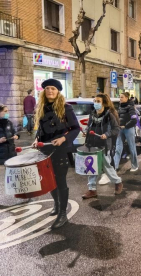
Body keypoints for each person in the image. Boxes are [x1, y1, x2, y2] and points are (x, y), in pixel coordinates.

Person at [33, 79, 80, 229]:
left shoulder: (66, 108)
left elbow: (75, 128)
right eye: (47, 89)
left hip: (60, 150)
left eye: (53, 88)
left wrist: (63, 138)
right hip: (45, 151)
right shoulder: (41, 108)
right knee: (49, 181)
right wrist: (36, 139)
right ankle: (56, 203)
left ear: (58, 91)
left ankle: (62, 214)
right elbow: (40, 129)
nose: (50, 91)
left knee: (60, 182)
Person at [82, 93, 122, 199]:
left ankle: (118, 182)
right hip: (92, 144)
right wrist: (86, 132)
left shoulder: (110, 115)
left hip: (104, 145)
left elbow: (116, 129)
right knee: (90, 167)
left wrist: (107, 134)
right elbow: (89, 126)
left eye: (98, 101)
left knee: (107, 166)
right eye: (94, 101)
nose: (96, 103)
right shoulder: (92, 114)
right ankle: (92, 189)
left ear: (104, 103)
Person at [114, 92, 138, 172]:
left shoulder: (130, 107)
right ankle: (115, 166)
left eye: (122, 97)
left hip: (129, 129)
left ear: (127, 98)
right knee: (118, 148)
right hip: (120, 129)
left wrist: (126, 126)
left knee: (132, 147)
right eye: (120, 97)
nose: (120, 98)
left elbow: (134, 120)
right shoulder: (120, 107)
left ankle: (135, 165)